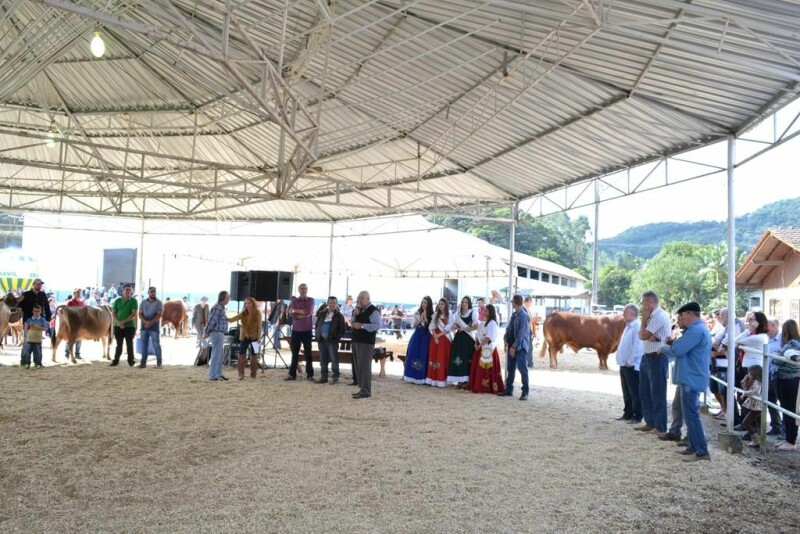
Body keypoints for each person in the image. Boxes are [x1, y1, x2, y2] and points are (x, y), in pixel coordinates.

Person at [660, 302, 712, 462]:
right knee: (690, 414)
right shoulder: (698, 329)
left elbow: (678, 350)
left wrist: (663, 348)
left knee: (692, 415)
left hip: (691, 377)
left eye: (682, 316)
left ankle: (702, 451)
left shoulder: (695, 331)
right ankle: (693, 446)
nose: (681, 319)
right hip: (692, 376)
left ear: (691, 314)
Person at [635, 291, 672, 434]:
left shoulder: (659, 315)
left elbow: (642, 334)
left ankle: (660, 426)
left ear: (650, 302)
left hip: (657, 357)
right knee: (645, 392)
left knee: (657, 393)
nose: (642, 306)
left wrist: (644, 321)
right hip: (647, 356)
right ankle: (650, 422)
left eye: (643, 302)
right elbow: (642, 336)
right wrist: (646, 331)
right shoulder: (652, 316)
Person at [498, 295, 531, 400]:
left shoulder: (524, 315)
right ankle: (509, 389)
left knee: (522, 368)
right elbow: (509, 329)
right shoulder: (514, 314)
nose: (511, 303)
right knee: (510, 368)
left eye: (512, 302)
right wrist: (505, 339)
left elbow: (522, 333)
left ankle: (525, 391)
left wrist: (514, 347)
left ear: (516, 303)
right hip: (513, 345)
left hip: (520, 347)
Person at [350, 291, 382, 399]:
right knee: (358, 366)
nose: (359, 300)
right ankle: (362, 388)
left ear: (368, 298)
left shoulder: (374, 311)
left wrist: (363, 326)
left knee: (365, 367)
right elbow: (353, 323)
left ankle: (366, 391)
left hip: (366, 342)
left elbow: (377, 325)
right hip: (356, 340)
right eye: (358, 298)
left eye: (362, 298)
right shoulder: (358, 310)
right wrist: (355, 315)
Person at [774, 319, 800, 451]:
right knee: (785, 409)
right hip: (784, 379)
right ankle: (787, 438)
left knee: (789, 410)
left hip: (790, 380)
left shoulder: (793, 344)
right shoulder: (790, 343)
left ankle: (791, 441)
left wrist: (777, 355)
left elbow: (780, 358)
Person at [467, 304, 505, 394]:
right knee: (479, 368)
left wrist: (480, 345)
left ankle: (487, 387)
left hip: (488, 349)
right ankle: (478, 385)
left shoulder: (492, 323)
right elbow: (478, 334)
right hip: (481, 347)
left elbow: (489, 337)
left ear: (491, 312)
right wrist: (476, 343)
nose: (484, 312)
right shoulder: (483, 321)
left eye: (486, 311)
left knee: (487, 368)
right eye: (484, 310)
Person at [615, 303, 643, 423]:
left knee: (634, 391)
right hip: (624, 363)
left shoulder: (637, 326)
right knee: (626, 390)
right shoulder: (628, 326)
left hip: (631, 365)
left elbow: (637, 347)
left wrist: (630, 362)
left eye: (625, 312)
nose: (623, 314)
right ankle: (627, 413)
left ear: (632, 313)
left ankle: (637, 416)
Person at [18, 278, 52, 366]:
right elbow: (19, 306)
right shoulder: (25, 294)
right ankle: (25, 362)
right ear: (33, 284)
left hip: (40, 321)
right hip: (28, 321)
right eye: (37, 284)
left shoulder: (43, 295)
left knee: (38, 342)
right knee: (27, 341)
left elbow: (47, 308)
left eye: (40, 284)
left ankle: (38, 362)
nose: (39, 286)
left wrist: (48, 319)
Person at [227, 296, 262, 380]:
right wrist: (223, 316)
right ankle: (241, 374)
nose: (248, 305)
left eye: (249, 303)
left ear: (253, 304)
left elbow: (259, 326)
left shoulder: (257, 313)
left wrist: (259, 338)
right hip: (244, 336)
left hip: (255, 337)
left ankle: (253, 374)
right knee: (241, 354)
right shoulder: (243, 313)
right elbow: (232, 320)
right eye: (246, 303)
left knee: (254, 355)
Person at [285, 283, 315, 381]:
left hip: (307, 330)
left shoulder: (311, 300)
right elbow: (292, 315)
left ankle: (310, 375)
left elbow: (308, 312)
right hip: (296, 330)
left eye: (305, 289)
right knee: (295, 353)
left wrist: (295, 311)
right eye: (301, 288)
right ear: (298, 290)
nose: (303, 290)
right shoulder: (294, 301)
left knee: (308, 353)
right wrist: (300, 313)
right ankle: (292, 375)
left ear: (307, 290)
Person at [447, 296, 477, 387]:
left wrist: (466, 329)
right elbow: (456, 324)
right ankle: (459, 380)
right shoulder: (458, 314)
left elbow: (476, 326)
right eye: (463, 302)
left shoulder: (473, 313)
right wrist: (455, 326)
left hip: (468, 339)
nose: (464, 304)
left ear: (469, 304)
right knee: (457, 358)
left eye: (466, 302)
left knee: (466, 359)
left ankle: (466, 381)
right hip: (458, 338)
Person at [315, 296, 346, 384]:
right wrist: (317, 335)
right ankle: (323, 377)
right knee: (323, 360)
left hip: (332, 341)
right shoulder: (322, 313)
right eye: (330, 303)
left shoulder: (339, 316)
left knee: (334, 360)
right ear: (327, 304)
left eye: (334, 303)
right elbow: (317, 325)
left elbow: (342, 329)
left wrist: (336, 339)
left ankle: (335, 377)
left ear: (336, 305)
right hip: (321, 340)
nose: (332, 305)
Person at [403, 296, 433, 384]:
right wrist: (421, 318)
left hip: (426, 336)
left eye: (425, 303)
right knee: (413, 353)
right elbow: (413, 325)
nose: (423, 304)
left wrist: (426, 317)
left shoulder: (432, 314)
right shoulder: (417, 313)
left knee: (424, 355)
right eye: (423, 302)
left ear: (429, 304)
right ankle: (411, 376)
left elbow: (430, 327)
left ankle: (422, 377)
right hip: (417, 335)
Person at [204, 291, 231, 382]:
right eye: (228, 297)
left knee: (219, 354)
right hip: (217, 333)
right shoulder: (218, 307)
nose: (229, 299)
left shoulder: (220, 307)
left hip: (219, 333)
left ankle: (218, 374)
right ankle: (212, 375)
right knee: (216, 354)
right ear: (224, 298)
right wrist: (206, 331)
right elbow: (212, 320)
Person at [426, 298, 452, 388]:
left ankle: (442, 379)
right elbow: (432, 327)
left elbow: (449, 328)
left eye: (442, 304)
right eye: (439, 304)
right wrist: (435, 336)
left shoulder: (450, 315)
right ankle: (433, 379)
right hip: (435, 339)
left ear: (446, 305)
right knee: (434, 357)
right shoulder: (435, 315)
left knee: (442, 357)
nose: (440, 305)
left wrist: (439, 335)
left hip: (444, 339)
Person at [110, 284, 138, 367]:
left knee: (129, 343)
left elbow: (134, 314)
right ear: (122, 291)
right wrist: (119, 322)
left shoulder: (133, 301)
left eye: (130, 290)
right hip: (117, 325)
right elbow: (113, 312)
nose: (128, 291)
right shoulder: (117, 300)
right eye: (127, 290)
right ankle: (116, 360)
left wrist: (123, 322)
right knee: (119, 344)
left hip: (129, 326)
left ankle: (131, 361)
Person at [138, 286, 164, 368]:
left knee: (156, 345)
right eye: (151, 292)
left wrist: (150, 322)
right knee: (144, 345)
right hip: (144, 327)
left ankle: (159, 364)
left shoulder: (159, 303)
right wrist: (146, 322)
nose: (153, 293)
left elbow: (159, 314)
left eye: (154, 292)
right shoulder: (143, 302)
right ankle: (143, 363)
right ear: (148, 293)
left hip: (154, 327)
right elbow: (140, 314)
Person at [766, 318, 783, 436]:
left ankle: (785, 430)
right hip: (767, 374)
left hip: (779, 375)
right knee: (769, 400)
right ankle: (776, 425)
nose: (765, 330)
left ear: (774, 326)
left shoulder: (783, 339)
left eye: (767, 327)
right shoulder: (766, 338)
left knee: (783, 402)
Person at [739, 365, 763, 448]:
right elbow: (746, 389)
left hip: (757, 406)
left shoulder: (758, 381)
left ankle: (755, 440)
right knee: (757, 422)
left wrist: (746, 393)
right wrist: (744, 381)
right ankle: (759, 439)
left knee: (746, 422)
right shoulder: (753, 381)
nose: (748, 374)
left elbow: (756, 391)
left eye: (749, 372)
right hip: (753, 404)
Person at [64, 288, 86, 360]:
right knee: (70, 339)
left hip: (80, 324)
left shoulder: (82, 303)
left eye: (80, 293)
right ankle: (67, 353)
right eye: (77, 293)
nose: (79, 294)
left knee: (79, 339)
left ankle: (77, 354)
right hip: (71, 324)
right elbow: (66, 313)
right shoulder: (70, 302)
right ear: (74, 294)